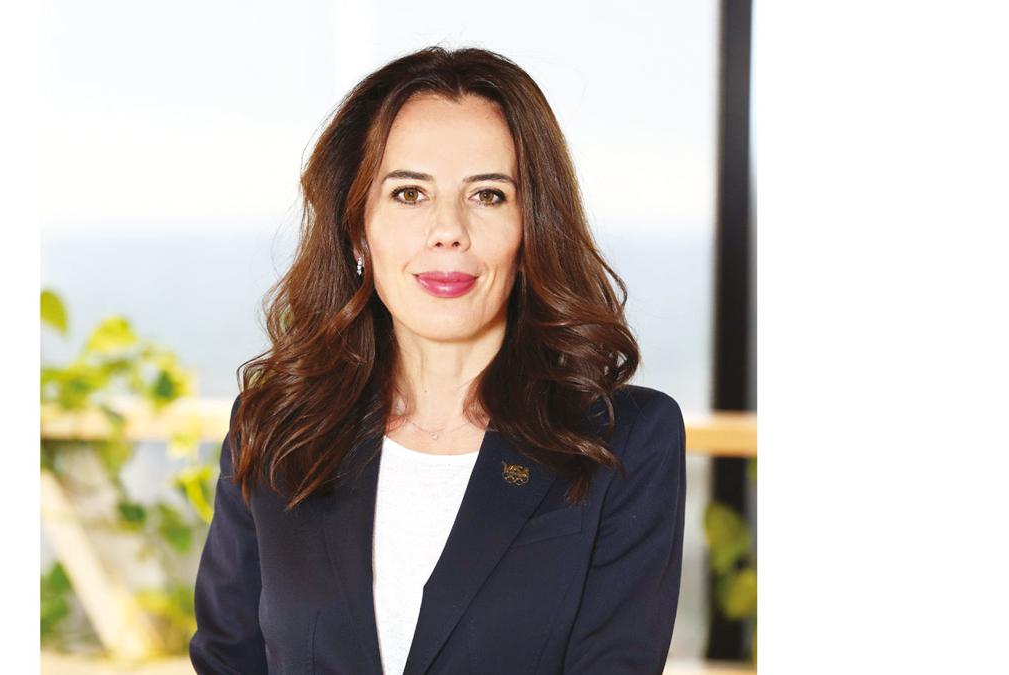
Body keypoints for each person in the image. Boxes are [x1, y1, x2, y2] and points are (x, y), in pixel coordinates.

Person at [190, 45, 686, 675]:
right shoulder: (276, 427)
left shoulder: (627, 440)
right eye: (408, 194)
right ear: (357, 228)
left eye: (488, 195)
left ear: (531, 228)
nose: (448, 229)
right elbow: (227, 660)